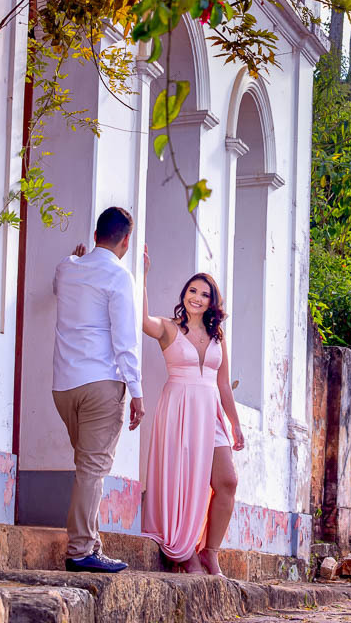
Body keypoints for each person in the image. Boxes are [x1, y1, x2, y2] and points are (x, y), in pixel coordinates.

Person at [52, 206, 145, 574]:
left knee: (87, 466)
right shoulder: (120, 276)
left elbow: (61, 284)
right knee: (92, 468)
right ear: (125, 241)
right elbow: (125, 340)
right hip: (100, 385)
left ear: (94, 236)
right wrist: (136, 391)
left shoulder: (67, 268)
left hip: (64, 387)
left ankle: (91, 543)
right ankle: (80, 551)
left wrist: (74, 258)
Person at [141, 246, 244, 575]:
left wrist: (235, 425)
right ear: (184, 294)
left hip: (210, 412)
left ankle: (209, 552)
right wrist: (142, 275)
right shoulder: (169, 328)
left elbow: (224, 384)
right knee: (182, 480)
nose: (196, 298)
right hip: (179, 410)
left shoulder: (217, 336)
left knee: (227, 480)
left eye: (204, 294)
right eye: (192, 291)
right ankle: (183, 550)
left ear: (212, 302)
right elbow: (143, 321)